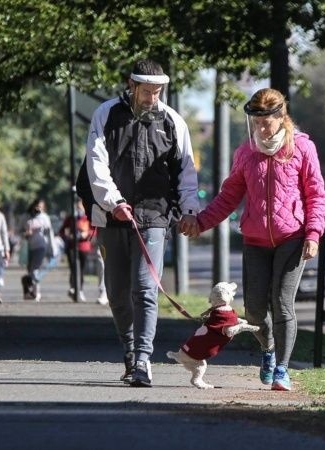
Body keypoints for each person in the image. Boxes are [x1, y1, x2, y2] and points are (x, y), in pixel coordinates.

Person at [182, 87, 325, 391]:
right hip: (255, 240)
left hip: (292, 237)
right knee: (255, 310)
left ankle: (283, 370)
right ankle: (269, 350)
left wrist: (313, 233)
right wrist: (201, 222)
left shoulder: (302, 148)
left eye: (266, 122)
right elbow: (228, 196)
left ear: (281, 117)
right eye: (256, 122)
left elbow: (316, 195)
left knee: (283, 303)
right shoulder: (247, 152)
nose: (260, 128)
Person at [83, 59, 200, 387]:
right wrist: (113, 201)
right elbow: (96, 162)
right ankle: (130, 351)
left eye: (157, 91)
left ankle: (143, 360)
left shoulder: (173, 121)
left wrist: (190, 210)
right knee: (118, 292)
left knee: (145, 289)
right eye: (146, 91)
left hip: (155, 217)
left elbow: (186, 172)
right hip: (112, 216)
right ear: (131, 86)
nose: (152, 98)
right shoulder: (106, 114)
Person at [59, 199, 92, 302]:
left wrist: (87, 234)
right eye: (77, 206)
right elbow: (61, 231)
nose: (79, 208)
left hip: (84, 246)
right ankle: (73, 287)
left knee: (81, 270)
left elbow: (94, 230)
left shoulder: (88, 217)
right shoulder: (70, 218)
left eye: (81, 206)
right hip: (72, 246)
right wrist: (67, 235)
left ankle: (80, 290)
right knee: (73, 268)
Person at [22, 198, 55, 301]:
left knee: (35, 269)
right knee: (30, 270)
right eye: (37, 206)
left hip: (41, 246)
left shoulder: (45, 218)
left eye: (40, 207)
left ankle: (36, 293)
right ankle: (32, 292)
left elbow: (49, 232)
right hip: (30, 247)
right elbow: (23, 231)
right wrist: (27, 233)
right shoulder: (29, 218)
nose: (38, 208)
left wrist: (51, 248)